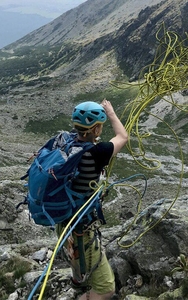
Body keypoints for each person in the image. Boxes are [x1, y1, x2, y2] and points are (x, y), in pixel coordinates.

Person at [55, 99, 128, 300]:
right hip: (82, 229)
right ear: (96, 129)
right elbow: (123, 136)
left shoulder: (64, 144)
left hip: (63, 222)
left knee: (76, 258)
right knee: (106, 288)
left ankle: (79, 281)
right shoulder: (98, 152)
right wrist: (111, 113)